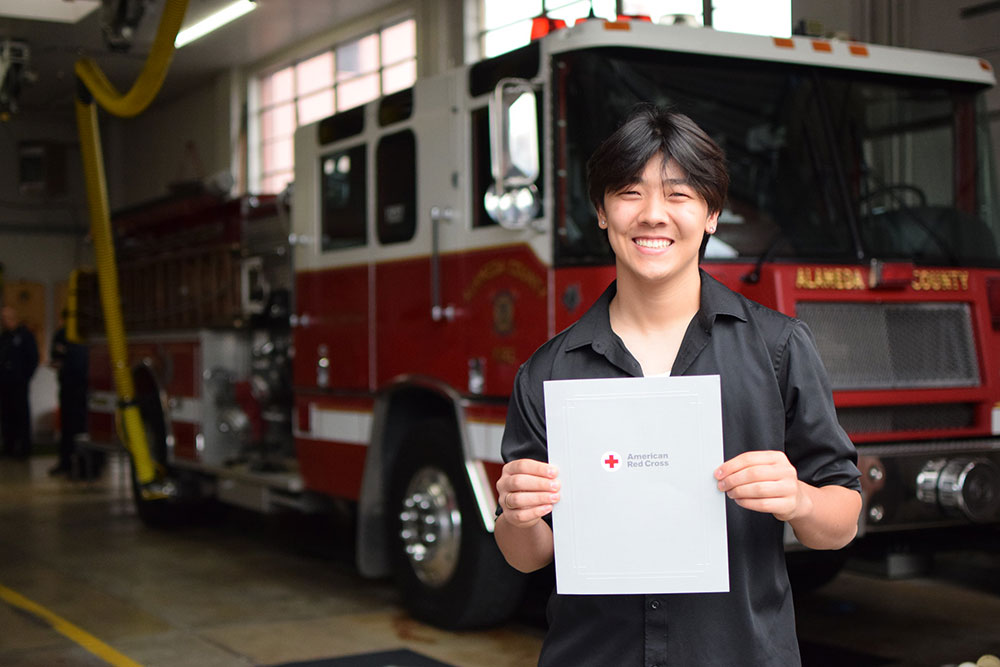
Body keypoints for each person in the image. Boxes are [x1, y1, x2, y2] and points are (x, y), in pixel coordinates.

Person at [494, 106, 862, 666]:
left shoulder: (778, 348)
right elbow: (528, 557)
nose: (652, 215)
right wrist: (517, 515)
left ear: (712, 213)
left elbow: (839, 524)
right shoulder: (549, 371)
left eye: (679, 195)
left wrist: (799, 499)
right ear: (601, 211)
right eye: (629, 193)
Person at [49, 310, 89, 476]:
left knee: (82, 428)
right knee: (69, 427)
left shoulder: (84, 334)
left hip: (83, 387)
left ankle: (84, 466)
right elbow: (56, 355)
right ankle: (68, 463)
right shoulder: (62, 334)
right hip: (69, 386)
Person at [0, 305, 39, 459]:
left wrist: (24, 377)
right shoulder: (4, 337)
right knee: (7, 416)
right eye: (2, 319)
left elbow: (33, 359)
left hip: (19, 383)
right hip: (5, 383)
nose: (4, 321)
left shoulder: (25, 335)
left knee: (21, 415)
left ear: (14, 318)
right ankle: (9, 447)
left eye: (7, 318)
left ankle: (24, 448)